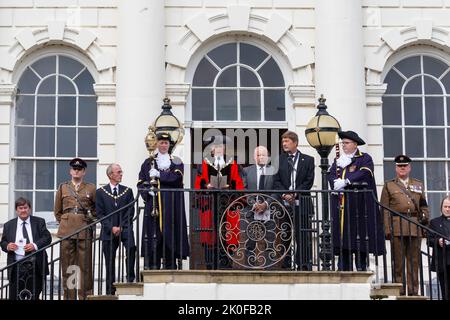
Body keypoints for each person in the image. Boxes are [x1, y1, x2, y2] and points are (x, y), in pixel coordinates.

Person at [328, 130, 385, 271]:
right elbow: (331, 174)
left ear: (355, 144)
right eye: (342, 143)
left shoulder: (364, 158)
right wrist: (335, 183)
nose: (344, 146)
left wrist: (347, 180)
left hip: (360, 207)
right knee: (344, 245)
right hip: (343, 208)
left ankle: (361, 269)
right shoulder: (338, 161)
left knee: (360, 245)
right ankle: (343, 270)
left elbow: (365, 172)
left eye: (346, 143)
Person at [138, 132, 189, 269]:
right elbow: (141, 182)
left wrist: (160, 175)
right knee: (154, 236)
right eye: (161, 142)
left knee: (171, 235)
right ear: (157, 144)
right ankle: (153, 265)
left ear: (169, 145)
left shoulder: (176, 161)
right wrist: (147, 190)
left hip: (171, 205)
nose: (163, 145)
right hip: (153, 205)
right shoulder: (148, 162)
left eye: (166, 143)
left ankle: (171, 265)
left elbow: (177, 178)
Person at [381, 154, 429, 296]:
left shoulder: (418, 184)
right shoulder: (389, 185)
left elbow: (423, 205)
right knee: (398, 262)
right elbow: (384, 209)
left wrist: (425, 220)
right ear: (396, 168)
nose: (402, 168)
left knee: (414, 261)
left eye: (405, 166)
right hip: (397, 227)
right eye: (399, 166)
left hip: (414, 225)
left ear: (409, 167)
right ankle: (400, 291)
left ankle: (414, 290)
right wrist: (387, 228)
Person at [194, 135, 244, 269]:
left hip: (226, 204)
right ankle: (210, 265)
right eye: (216, 147)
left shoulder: (232, 163)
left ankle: (226, 264)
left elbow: (238, 183)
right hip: (210, 204)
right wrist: (206, 186)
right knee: (210, 236)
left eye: (221, 147)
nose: (219, 149)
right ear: (211, 149)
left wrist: (230, 187)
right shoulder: (204, 163)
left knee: (227, 234)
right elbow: (198, 183)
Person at [54, 158, 96, 300]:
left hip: (84, 229)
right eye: (74, 169)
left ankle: (84, 296)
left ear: (84, 172)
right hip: (66, 231)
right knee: (68, 266)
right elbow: (57, 211)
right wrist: (67, 222)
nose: (76, 171)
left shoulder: (91, 188)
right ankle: (70, 297)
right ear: (70, 171)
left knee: (85, 267)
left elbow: (95, 210)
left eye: (79, 169)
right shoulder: (63, 187)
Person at [273, 131, 315, 271]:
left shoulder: (308, 160)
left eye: (287, 141)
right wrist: (285, 194)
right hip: (284, 205)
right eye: (283, 141)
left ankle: (303, 264)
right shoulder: (278, 160)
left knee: (302, 236)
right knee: (285, 235)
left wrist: (295, 193)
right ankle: (285, 265)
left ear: (295, 143)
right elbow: (276, 181)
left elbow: (308, 181)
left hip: (301, 203)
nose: (284, 144)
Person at [96, 163, 136, 295]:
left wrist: (121, 226)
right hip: (108, 230)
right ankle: (110, 289)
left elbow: (131, 211)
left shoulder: (128, 191)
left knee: (131, 248)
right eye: (118, 172)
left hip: (125, 228)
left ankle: (130, 278)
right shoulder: (100, 192)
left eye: (121, 172)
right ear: (110, 175)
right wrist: (110, 227)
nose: (121, 174)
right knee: (109, 259)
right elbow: (100, 214)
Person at [1, 197, 51, 300]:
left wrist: (35, 245)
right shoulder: (8, 225)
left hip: (35, 266)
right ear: (16, 210)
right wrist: (7, 246)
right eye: (20, 208)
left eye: (25, 207)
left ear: (30, 209)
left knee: (34, 295)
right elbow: (3, 243)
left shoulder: (39, 222)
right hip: (16, 267)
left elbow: (47, 238)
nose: (23, 210)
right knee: (15, 296)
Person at [242, 146, 278, 268]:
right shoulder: (246, 171)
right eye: (258, 155)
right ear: (254, 157)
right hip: (251, 211)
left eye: (263, 155)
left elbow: (276, 190)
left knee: (270, 241)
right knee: (250, 241)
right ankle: (249, 268)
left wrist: (265, 204)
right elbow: (244, 190)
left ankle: (269, 268)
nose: (260, 157)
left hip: (268, 211)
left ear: (267, 157)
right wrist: (254, 204)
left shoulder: (273, 170)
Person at [428, 195, 450, 300]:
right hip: (443, 262)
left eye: (449, 207)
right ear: (441, 207)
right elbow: (429, 240)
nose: (447, 209)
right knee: (445, 291)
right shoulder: (434, 222)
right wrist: (438, 241)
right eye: (445, 206)